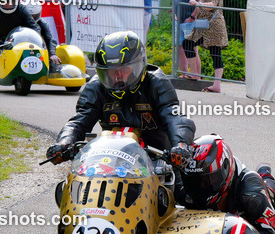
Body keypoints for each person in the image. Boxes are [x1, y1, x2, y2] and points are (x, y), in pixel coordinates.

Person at [46, 30, 196, 161]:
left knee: (181, 186)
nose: (118, 77)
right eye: (111, 72)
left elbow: (175, 117)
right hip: (112, 156)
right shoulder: (96, 87)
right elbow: (79, 120)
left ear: (140, 64)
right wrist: (65, 142)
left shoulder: (157, 83)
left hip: (158, 156)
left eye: (123, 70)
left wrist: (180, 145)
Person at [180, 135, 275, 234]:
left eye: (207, 181)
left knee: (268, 187)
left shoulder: (252, 194)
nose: (201, 188)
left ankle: (265, 173)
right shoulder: (188, 193)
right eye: (194, 182)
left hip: (257, 193)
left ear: (224, 172)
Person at [188, 0, 229, 93]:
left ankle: (215, 83)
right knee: (189, 43)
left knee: (215, 52)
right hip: (207, 27)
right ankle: (196, 74)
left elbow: (211, 6)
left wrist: (197, 3)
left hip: (213, 27)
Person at [174, 0, 203, 80]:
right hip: (179, 20)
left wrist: (192, 16)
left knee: (192, 47)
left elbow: (200, 0)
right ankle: (184, 72)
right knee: (180, 46)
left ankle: (196, 74)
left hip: (189, 21)